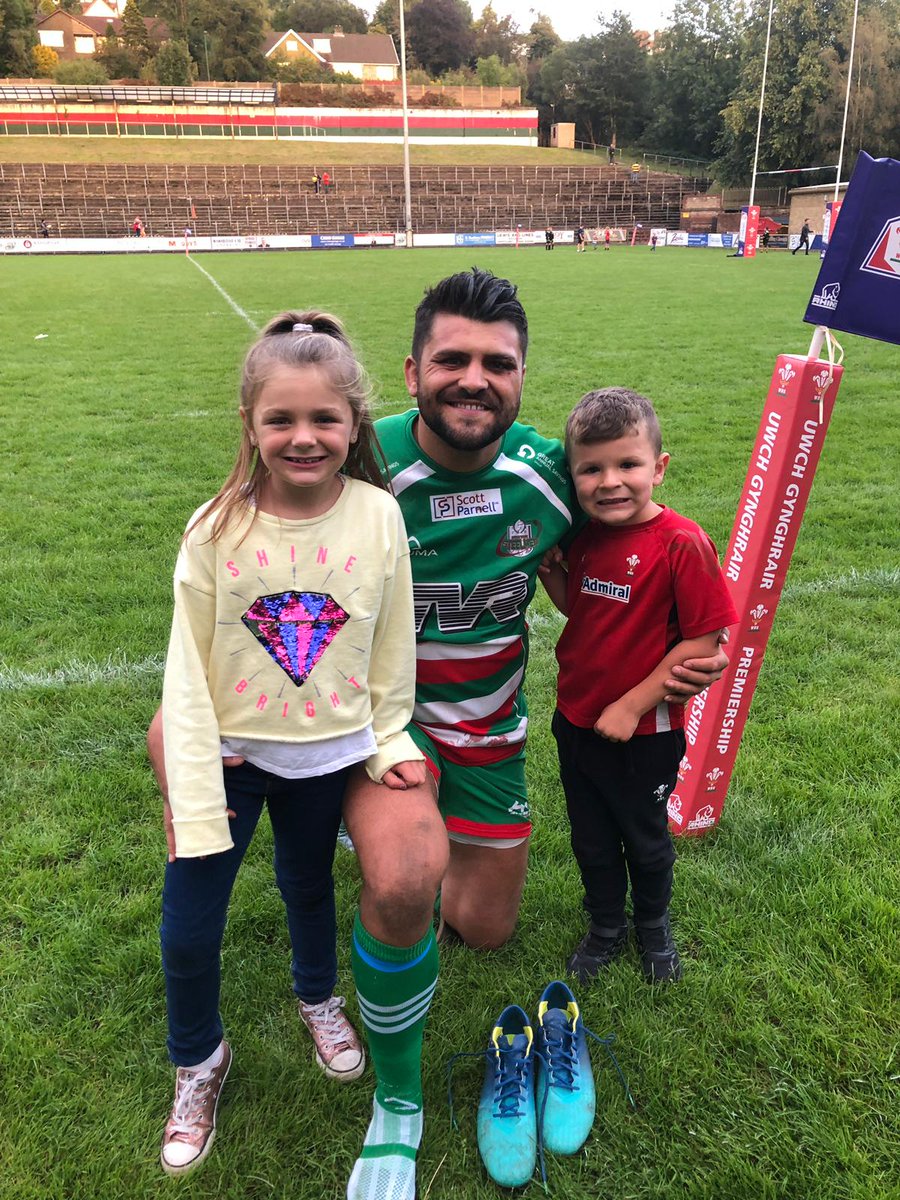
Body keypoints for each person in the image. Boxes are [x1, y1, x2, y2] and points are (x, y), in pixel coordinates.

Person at [147, 269, 728, 1199]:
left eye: (497, 364)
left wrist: (682, 642)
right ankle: (400, 1089)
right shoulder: (354, 461)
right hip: (374, 735)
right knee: (406, 877)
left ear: (522, 377)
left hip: (490, 735)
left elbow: (627, 536)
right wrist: (184, 716)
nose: (474, 379)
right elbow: (242, 557)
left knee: (485, 929)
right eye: (451, 359)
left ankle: (388, 879)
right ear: (412, 372)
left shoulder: (552, 475)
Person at [156, 311, 425, 1177]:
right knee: (190, 930)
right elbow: (186, 674)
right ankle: (199, 1060)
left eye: (324, 420)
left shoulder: (380, 516)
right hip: (229, 762)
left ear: (355, 425)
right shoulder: (213, 530)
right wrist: (192, 788)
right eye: (281, 420)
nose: (303, 438)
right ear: (250, 424)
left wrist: (386, 740)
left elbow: (390, 644)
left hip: (327, 759)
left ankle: (319, 998)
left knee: (308, 887)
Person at [540, 388, 737, 984]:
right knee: (591, 839)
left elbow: (705, 641)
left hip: (643, 731)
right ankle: (605, 925)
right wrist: (555, 576)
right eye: (591, 469)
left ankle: (652, 925)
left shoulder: (681, 542)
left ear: (659, 466)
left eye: (628, 464)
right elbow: (583, 609)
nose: (610, 482)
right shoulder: (587, 537)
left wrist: (631, 705)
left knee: (645, 838)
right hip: (575, 719)